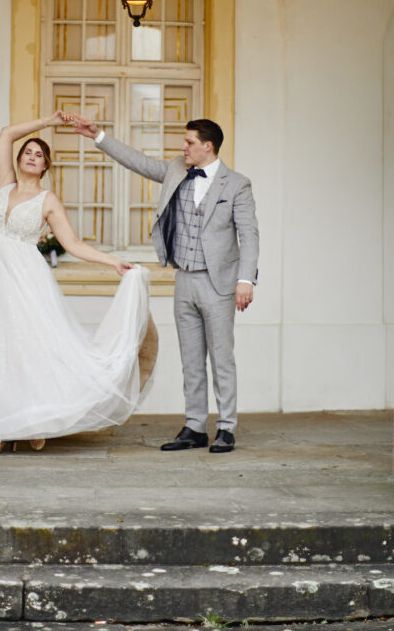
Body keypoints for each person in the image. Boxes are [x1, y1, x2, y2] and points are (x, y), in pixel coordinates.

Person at [0, 111, 151, 454]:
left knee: (26, 348)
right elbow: (6, 133)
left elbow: (72, 244)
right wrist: (48, 122)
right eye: (28, 152)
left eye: (39, 155)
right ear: (19, 159)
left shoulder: (47, 201)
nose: (32, 157)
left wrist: (112, 262)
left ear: (46, 165)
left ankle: (32, 421)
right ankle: (1, 427)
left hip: (24, 280)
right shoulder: (3, 184)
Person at [70, 114, 258, 454]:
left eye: (189, 142)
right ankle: (195, 426)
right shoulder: (176, 169)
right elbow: (139, 162)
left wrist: (245, 279)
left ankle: (226, 427)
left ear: (207, 146)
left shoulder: (237, 184)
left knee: (222, 358)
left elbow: (249, 234)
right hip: (184, 279)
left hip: (219, 283)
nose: (182, 147)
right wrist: (98, 136)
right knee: (191, 359)